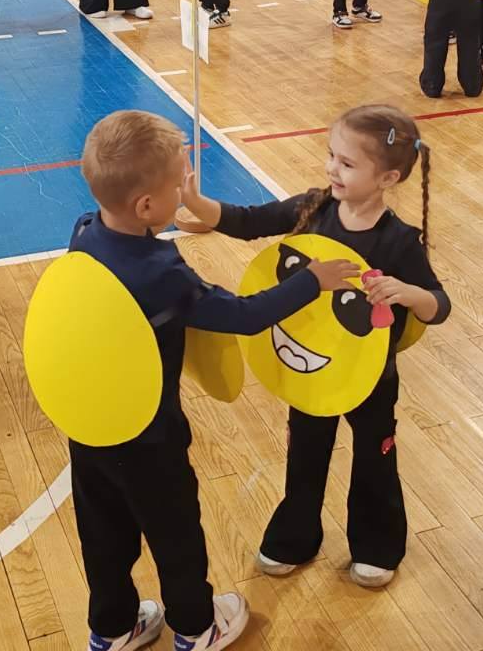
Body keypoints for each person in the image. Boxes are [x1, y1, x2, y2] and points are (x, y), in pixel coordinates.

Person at [65, 110, 358, 651]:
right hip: (150, 438)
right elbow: (242, 316)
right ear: (146, 207)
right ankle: (196, 628)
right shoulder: (161, 273)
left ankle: (112, 628)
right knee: (176, 534)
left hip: (89, 428)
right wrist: (310, 282)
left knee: (102, 534)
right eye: (179, 184)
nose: (185, 189)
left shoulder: (84, 233)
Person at [180, 104, 449, 592]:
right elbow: (248, 221)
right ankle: (295, 537)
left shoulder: (398, 242)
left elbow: (439, 304)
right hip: (310, 370)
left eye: (347, 163)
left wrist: (407, 292)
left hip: (370, 378)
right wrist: (197, 203)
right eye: (331, 156)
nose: (332, 169)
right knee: (305, 454)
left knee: (375, 460)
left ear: (387, 178)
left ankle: (377, 546)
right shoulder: (313, 208)